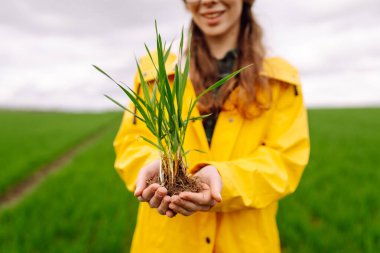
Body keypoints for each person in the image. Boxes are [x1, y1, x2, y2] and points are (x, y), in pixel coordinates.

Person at [113, 0, 310, 252]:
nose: (207, 1)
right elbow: (131, 143)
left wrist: (222, 180)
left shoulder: (280, 81)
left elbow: (284, 162)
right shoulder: (158, 74)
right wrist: (157, 167)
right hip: (166, 243)